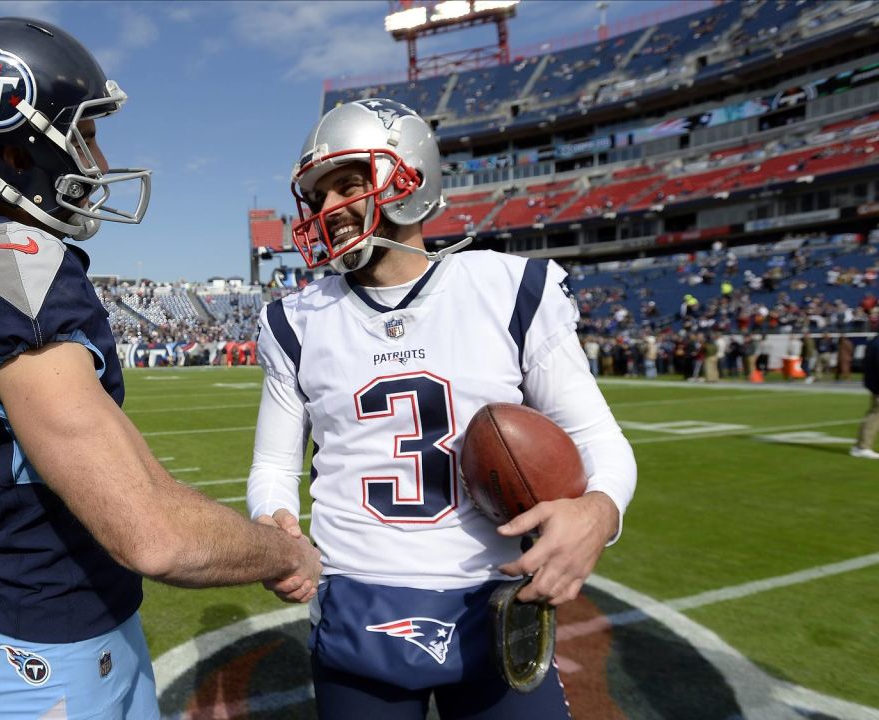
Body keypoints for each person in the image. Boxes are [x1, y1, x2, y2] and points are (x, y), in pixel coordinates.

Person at [0, 18, 320, 720]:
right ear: (16, 143)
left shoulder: (14, 261)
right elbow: (150, 531)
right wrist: (283, 555)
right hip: (50, 660)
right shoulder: (7, 267)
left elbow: (143, 482)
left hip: (88, 631)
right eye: (85, 133)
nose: (97, 161)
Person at [246, 99, 636, 719]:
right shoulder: (295, 319)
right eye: (317, 196)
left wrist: (599, 510)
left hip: (497, 597)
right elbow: (272, 464)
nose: (328, 211)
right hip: (356, 599)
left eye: (349, 184)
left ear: (411, 180)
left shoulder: (507, 288)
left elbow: (599, 440)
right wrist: (274, 519)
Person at [852, 334, 879, 459]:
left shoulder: (873, 341)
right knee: (875, 415)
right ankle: (863, 446)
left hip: (873, 383)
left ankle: (860, 446)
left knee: (874, 413)